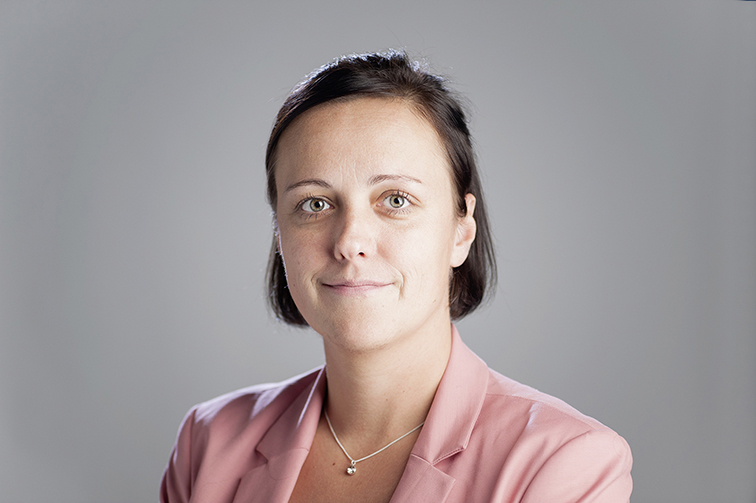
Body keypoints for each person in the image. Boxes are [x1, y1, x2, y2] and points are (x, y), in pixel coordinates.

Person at [160, 50, 633, 503]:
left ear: (461, 231)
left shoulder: (563, 462)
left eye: (396, 200)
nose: (349, 242)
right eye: (314, 203)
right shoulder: (209, 441)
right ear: (279, 232)